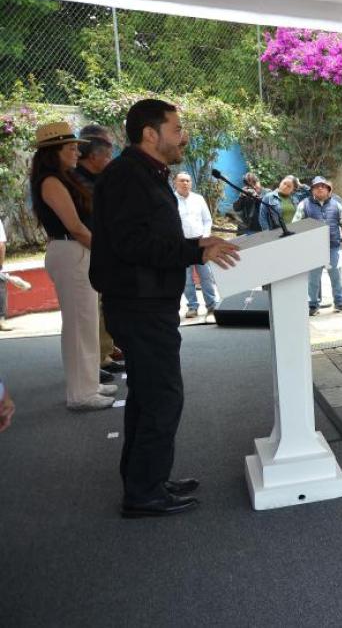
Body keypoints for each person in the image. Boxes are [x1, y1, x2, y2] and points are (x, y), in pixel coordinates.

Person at [91, 99, 240, 517]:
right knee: (162, 397)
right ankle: (143, 494)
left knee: (147, 395)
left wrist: (198, 244)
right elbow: (133, 244)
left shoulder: (148, 173)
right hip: (137, 303)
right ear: (150, 134)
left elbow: (149, 236)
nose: (184, 136)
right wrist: (195, 249)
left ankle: (147, 479)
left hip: (148, 301)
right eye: (176, 129)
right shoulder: (127, 177)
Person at [30, 123, 113, 410]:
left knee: (85, 322)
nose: (77, 151)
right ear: (54, 152)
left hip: (76, 251)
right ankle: (81, 393)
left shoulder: (63, 178)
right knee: (80, 325)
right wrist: (105, 252)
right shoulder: (51, 181)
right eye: (70, 147)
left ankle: (89, 383)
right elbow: (75, 227)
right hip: (71, 251)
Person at [71, 125, 122, 375]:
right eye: (107, 156)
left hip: (101, 246)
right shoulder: (77, 181)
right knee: (90, 312)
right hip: (85, 248)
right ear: (93, 157)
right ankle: (93, 363)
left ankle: (104, 355)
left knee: (102, 308)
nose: (109, 161)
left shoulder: (98, 179)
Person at [293, 176, 342, 315]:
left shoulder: (336, 205)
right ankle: (312, 305)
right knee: (313, 279)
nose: (320, 188)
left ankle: (339, 303)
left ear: (328, 190)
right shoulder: (304, 204)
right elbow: (295, 225)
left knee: (336, 277)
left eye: (323, 186)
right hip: (312, 249)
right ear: (312, 190)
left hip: (333, 247)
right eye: (317, 186)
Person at [174, 173, 220, 319]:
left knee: (206, 275)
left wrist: (205, 237)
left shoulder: (198, 199)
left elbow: (207, 220)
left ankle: (212, 304)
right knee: (186, 278)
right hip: (181, 244)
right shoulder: (171, 200)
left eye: (188, 181)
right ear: (175, 182)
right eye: (182, 180)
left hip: (200, 242)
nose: (185, 183)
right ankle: (192, 306)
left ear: (191, 183)